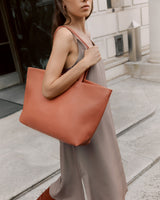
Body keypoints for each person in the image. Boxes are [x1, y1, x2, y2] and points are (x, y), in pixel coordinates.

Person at [37, 0, 128, 199]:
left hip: (98, 123)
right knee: (89, 184)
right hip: (84, 126)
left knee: (102, 179)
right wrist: (84, 63)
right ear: (63, 4)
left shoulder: (85, 35)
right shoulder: (65, 35)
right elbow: (48, 88)